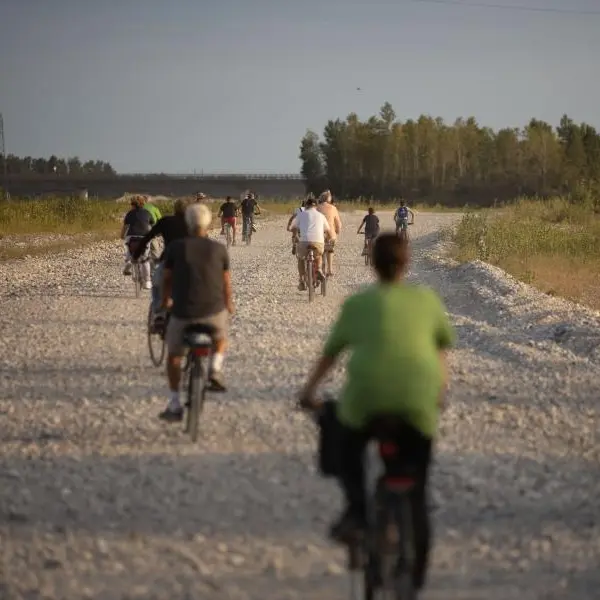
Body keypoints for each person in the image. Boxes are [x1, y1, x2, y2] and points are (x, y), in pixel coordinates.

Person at [298, 233, 455, 592]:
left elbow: (330, 355)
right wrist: (439, 393)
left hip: (365, 402)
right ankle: (415, 573)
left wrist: (309, 392)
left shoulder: (357, 304)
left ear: (372, 263)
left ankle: (356, 511)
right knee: (418, 490)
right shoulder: (427, 301)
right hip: (418, 405)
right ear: (407, 263)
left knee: (344, 436)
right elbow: (441, 352)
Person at [159, 203, 234, 421]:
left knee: (174, 355)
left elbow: (166, 278)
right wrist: (228, 305)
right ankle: (215, 368)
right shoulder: (219, 249)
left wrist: (165, 300)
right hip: (213, 311)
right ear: (208, 223)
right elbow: (226, 283)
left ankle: (174, 403)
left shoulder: (176, 247)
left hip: (182, 311)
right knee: (220, 338)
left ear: (188, 224)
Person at [132, 199, 189, 328]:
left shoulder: (166, 221)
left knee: (157, 283)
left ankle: (159, 314)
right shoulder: (194, 223)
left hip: (169, 260)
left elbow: (148, 237)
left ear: (175, 209)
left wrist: (136, 255)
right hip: (190, 263)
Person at [289, 195, 331, 290]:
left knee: (300, 258)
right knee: (319, 255)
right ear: (316, 206)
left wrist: (295, 236)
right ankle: (319, 269)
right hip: (318, 242)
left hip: (303, 242)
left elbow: (293, 227)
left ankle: (302, 281)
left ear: (306, 206)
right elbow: (328, 231)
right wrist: (328, 239)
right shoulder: (321, 216)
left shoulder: (301, 214)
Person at [120, 195, 153, 288]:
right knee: (145, 258)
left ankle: (129, 260)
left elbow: (125, 227)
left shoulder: (130, 213)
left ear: (133, 205)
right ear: (143, 204)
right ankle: (147, 281)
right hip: (144, 237)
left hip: (132, 236)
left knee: (127, 246)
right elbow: (152, 225)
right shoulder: (147, 213)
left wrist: (122, 235)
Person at [317, 191, 342, 277]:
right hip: (330, 235)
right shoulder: (333, 208)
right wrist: (337, 232)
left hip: (318, 235)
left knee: (319, 251)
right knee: (330, 250)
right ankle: (330, 269)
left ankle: (319, 268)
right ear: (328, 198)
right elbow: (338, 224)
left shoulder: (317, 207)